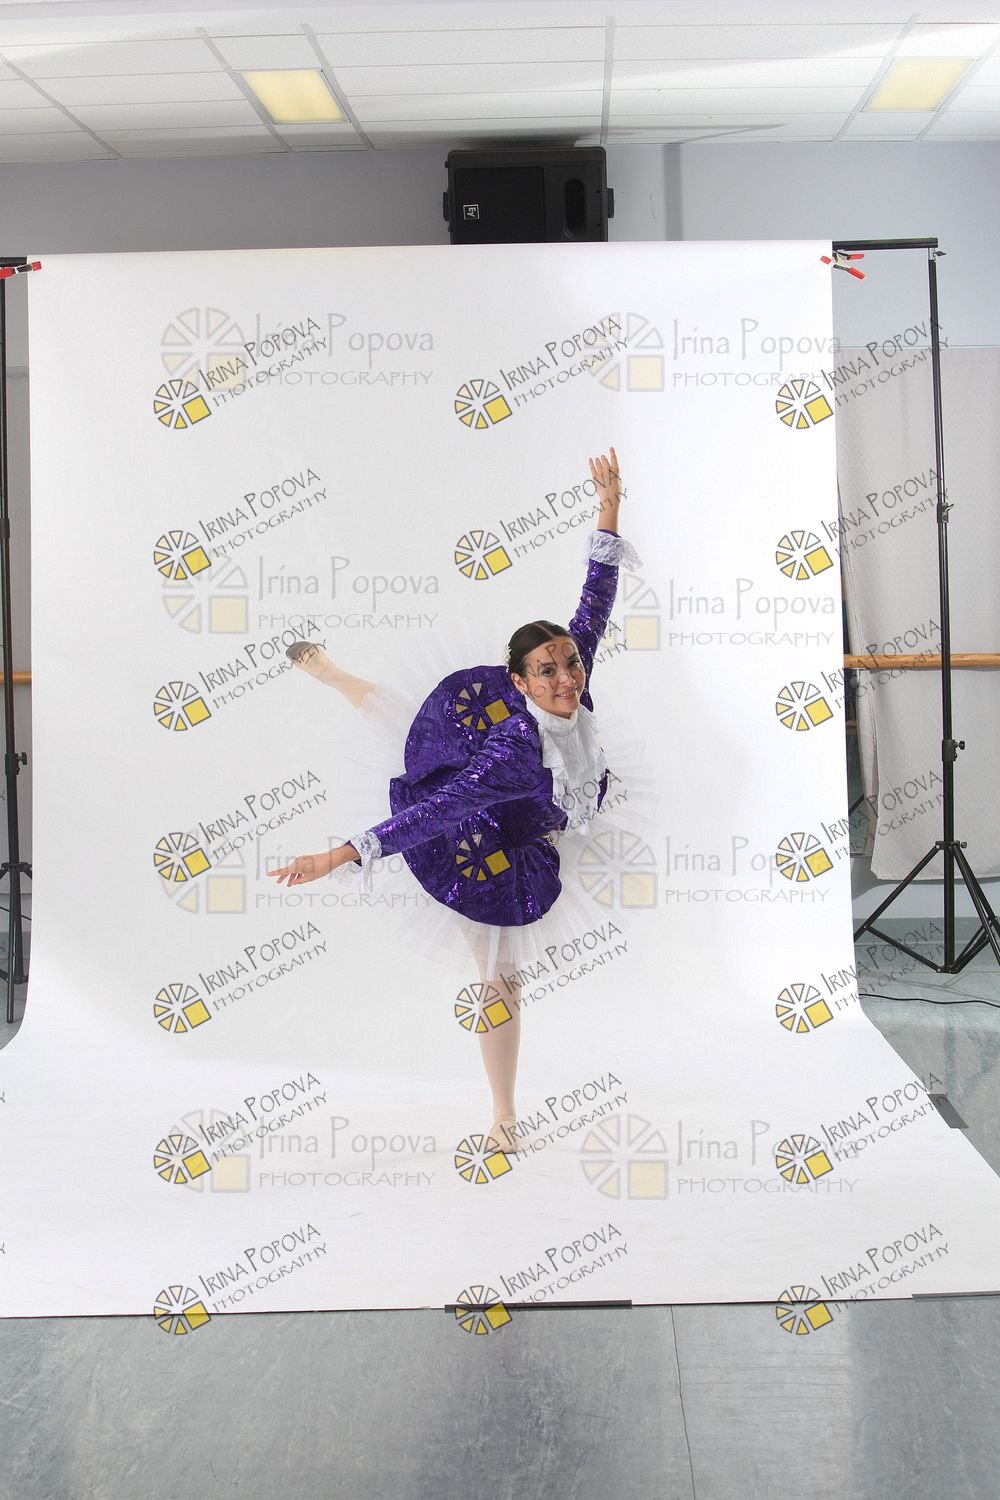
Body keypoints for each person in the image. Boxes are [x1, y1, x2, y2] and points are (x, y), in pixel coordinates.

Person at [269, 447, 640, 1154]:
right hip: (478, 837)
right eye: (546, 671)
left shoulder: (575, 680)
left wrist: (609, 508)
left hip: (534, 817)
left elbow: (594, 601)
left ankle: (335, 674)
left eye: (570, 663)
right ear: (519, 684)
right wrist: (342, 855)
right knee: (501, 974)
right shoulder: (514, 755)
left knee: (399, 712)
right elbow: (435, 812)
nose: (566, 678)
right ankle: (503, 1113)